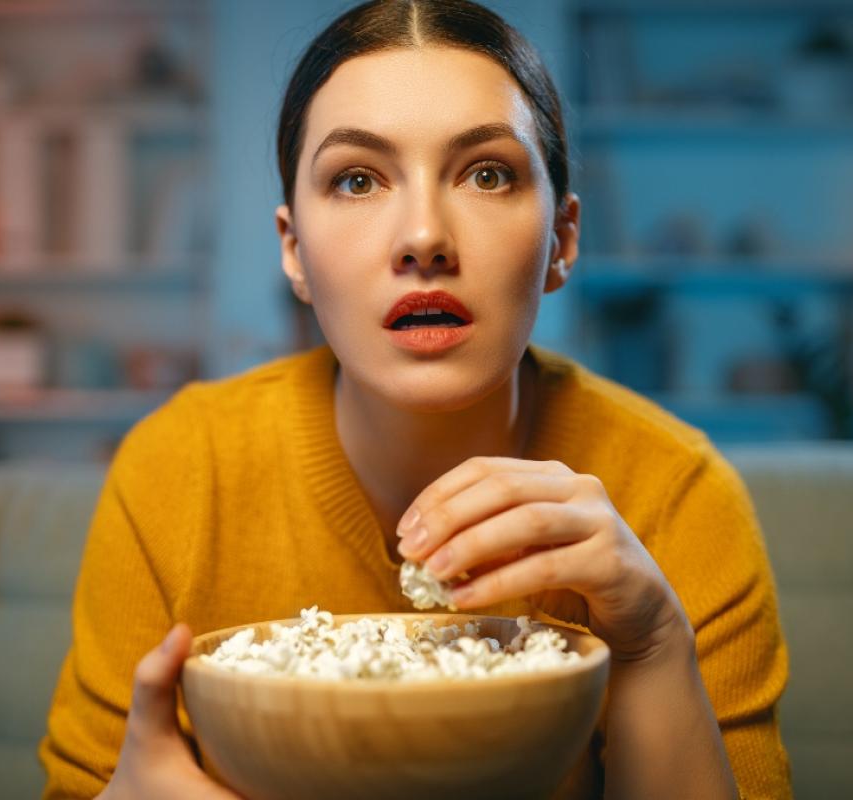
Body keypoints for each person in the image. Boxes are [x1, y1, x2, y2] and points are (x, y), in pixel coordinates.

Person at [39, 1, 791, 797]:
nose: (424, 236)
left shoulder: (679, 496)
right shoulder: (179, 471)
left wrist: (649, 644)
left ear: (561, 242)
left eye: (488, 173)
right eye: (357, 179)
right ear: (294, 251)